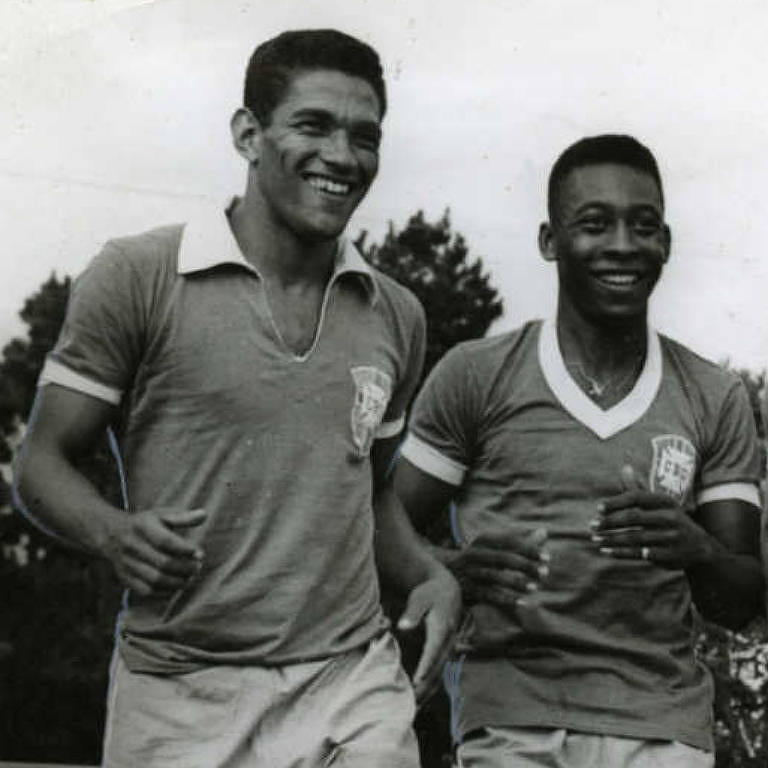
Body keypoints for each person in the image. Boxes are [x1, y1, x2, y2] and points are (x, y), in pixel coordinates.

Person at [14, 29, 460, 768]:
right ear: (248, 134)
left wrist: (428, 574)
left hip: (350, 682)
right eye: (313, 125)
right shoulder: (139, 275)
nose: (342, 157)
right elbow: (41, 462)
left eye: (364, 136)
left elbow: (366, 492)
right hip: (180, 693)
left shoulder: (397, 314)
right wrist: (112, 532)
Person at [394, 134, 764, 768]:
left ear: (666, 244)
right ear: (549, 240)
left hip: (663, 723)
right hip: (512, 716)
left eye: (643, 226)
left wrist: (696, 548)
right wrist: (452, 567)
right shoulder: (478, 374)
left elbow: (742, 599)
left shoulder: (713, 394)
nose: (622, 244)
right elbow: (377, 531)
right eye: (595, 224)